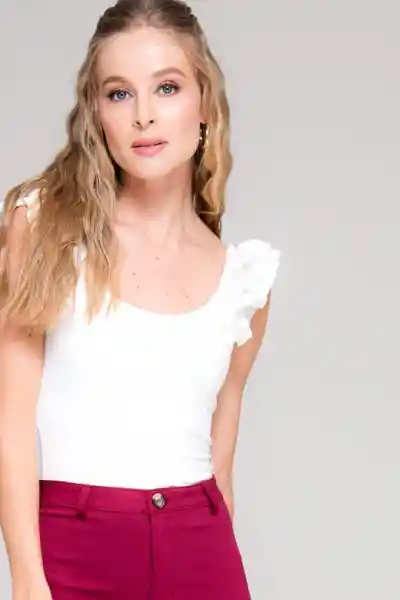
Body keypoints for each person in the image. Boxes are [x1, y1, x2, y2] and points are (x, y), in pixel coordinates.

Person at [0, 1, 281, 599]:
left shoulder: (243, 282)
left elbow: (220, 468)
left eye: (167, 88)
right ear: (96, 112)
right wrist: (27, 577)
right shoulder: (46, 231)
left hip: (200, 553)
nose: (144, 115)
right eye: (120, 93)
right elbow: (10, 422)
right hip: (72, 552)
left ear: (204, 104)